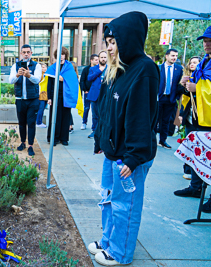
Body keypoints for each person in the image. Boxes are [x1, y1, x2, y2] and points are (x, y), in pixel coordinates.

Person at [90, 11, 159, 266]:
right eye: (107, 42)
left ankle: (120, 253)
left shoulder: (144, 69)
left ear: (128, 39)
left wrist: (133, 155)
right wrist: (101, 140)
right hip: (113, 151)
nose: (109, 47)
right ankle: (108, 242)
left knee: (125, 206)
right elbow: (108, 110)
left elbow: (141, 116)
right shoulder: (118, 68)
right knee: (108, 200)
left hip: (129, 157)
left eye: (113, 41)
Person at [174, 26, 211, 213]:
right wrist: (187, 82)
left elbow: (204, 86)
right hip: (196, 116)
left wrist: (198, 88)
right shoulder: (205, 61)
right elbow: (200, 82)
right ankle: (195, 187)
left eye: (209, 41)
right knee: (198, 154)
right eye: (205, 40)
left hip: (208, 119)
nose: (206, 44)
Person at [9, 44, 42, 156]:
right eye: (24, 52)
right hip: (20, 99)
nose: (26, 54)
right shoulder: (15, 66)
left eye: (28, 52)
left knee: (31, 123)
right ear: (21, 53)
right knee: (21, 123)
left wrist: (29, 75)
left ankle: (31, 145)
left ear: (31, 53)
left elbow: (37, 80)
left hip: (32, 99)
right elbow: (11, 81)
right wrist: (18, 75)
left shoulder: (36, 66)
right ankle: (23, 142)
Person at [46, 47, 80, 146]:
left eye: (63, 54)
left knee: (66, 118)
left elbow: (74, 82)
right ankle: (54, 138)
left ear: (66, 55)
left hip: (66, 96)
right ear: (56, 56)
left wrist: (63, 79)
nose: (61, 56)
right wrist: (49, 98)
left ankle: (64, 138)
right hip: (55, 96)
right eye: (59, 54)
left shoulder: (69, 67)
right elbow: (49, 84)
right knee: (54, 118)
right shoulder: (52, 68)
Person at [157, 49, 184, 149]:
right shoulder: (159, 68)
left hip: (170, 99)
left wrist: (176, 97)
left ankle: (162, 141)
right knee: (155, 120)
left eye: (176, 56)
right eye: (172, 55)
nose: (174, 58)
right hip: (159, 98)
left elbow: (180, 85)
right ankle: (151, 141)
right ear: (166, 56)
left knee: (166, 121)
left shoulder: (179, 69)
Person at [180, 56, 201, 180]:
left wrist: (196, 88)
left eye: (195, 62)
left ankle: (196, 180)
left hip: (200, 118)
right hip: (189, 116)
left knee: (197, 148)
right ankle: (188, 171)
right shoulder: (187, 76)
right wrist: (184, 86)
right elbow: (184, 98)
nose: (192, 64)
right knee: (188, 145)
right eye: (191, 62)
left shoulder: (203, 76)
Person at [87, 51, 107, 138]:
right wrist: (99, 71)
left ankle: (103, 131)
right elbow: (89, 78)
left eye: (104, 57)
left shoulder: (110, 68)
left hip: (105, 95)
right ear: (98, 58)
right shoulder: (93, 69)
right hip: (94, 95)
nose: (103, 59)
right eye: (101, 57)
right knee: (95, 114)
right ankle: (94, 131)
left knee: (104, 114)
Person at [79, 54, 99, 130]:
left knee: (95, 110)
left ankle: (95, 125)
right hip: (88, 92)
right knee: (86, 108)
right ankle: (84, 123)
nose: (97, 61)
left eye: (98, 59)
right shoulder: (86, 69)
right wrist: (85, 90)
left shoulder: (99, 68)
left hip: (96, 93)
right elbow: (82, 80)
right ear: (91, 60)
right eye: (96, 59)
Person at [36, 63, 48, 128]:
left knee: (42, 108)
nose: (44, 68)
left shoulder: (47, 75)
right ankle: (38, 122)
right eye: (43, 67)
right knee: (41, 108)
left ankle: (39, 122)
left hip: (46, 94)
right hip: (41, 94)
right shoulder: (40, 75)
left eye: (45, 67)